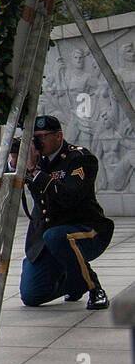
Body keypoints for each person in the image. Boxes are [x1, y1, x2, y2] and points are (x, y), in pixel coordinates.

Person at [17, 115, 112, 310]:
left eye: (42, 137)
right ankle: (76, 283)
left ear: (58, 136)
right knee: (32, 295)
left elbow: (69, 197)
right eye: (33, 138)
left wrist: (35, 172)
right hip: (47, 239)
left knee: (57, 236)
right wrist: (14, 163)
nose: (37, 143)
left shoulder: (80, 159)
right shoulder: (36, 161)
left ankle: (95, 289)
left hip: (86, 230)